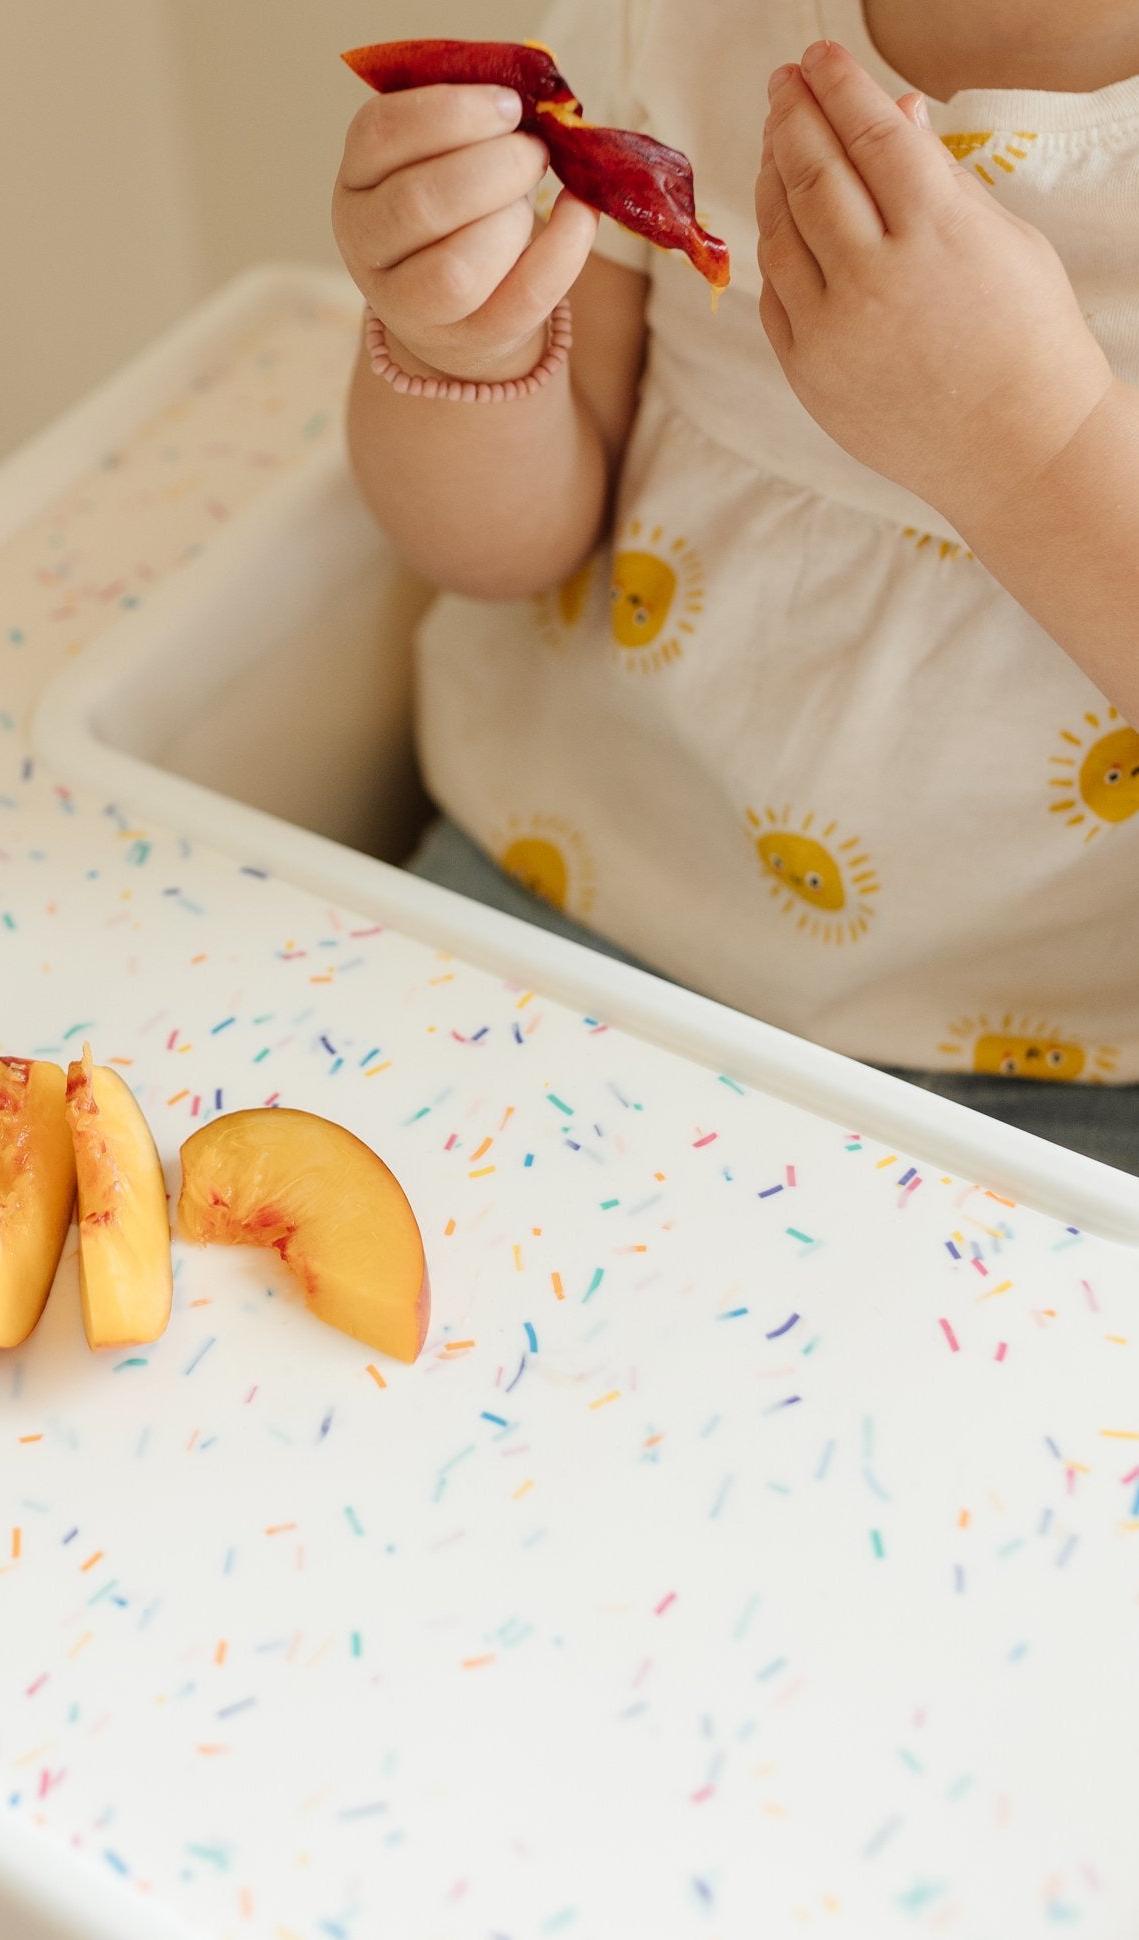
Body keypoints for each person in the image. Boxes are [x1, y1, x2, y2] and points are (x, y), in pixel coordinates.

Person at [332, 0, 1139, 1170]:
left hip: (1056, 1064)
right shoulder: (665, 22)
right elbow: (505, 548)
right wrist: (455, 345)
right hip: (554, 894)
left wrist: (1031, 446)